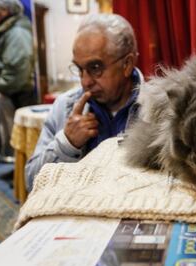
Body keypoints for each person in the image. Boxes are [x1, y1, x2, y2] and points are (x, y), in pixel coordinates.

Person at [25, 14, 142, 191]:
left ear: (127, 64)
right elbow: (30, 181)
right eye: (79, 69)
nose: (85, 82)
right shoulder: (65, 106)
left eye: (95, 68)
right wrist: (66, 143)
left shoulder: (158, 108)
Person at [0, 0, 36, 160]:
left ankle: (19, 179)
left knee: (17, 143)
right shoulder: (8, 30)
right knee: (11, 140)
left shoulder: (17, 32)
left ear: (5, 10)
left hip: (14, 95)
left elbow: (19, 68)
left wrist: (0, 86)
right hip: (9, 93)